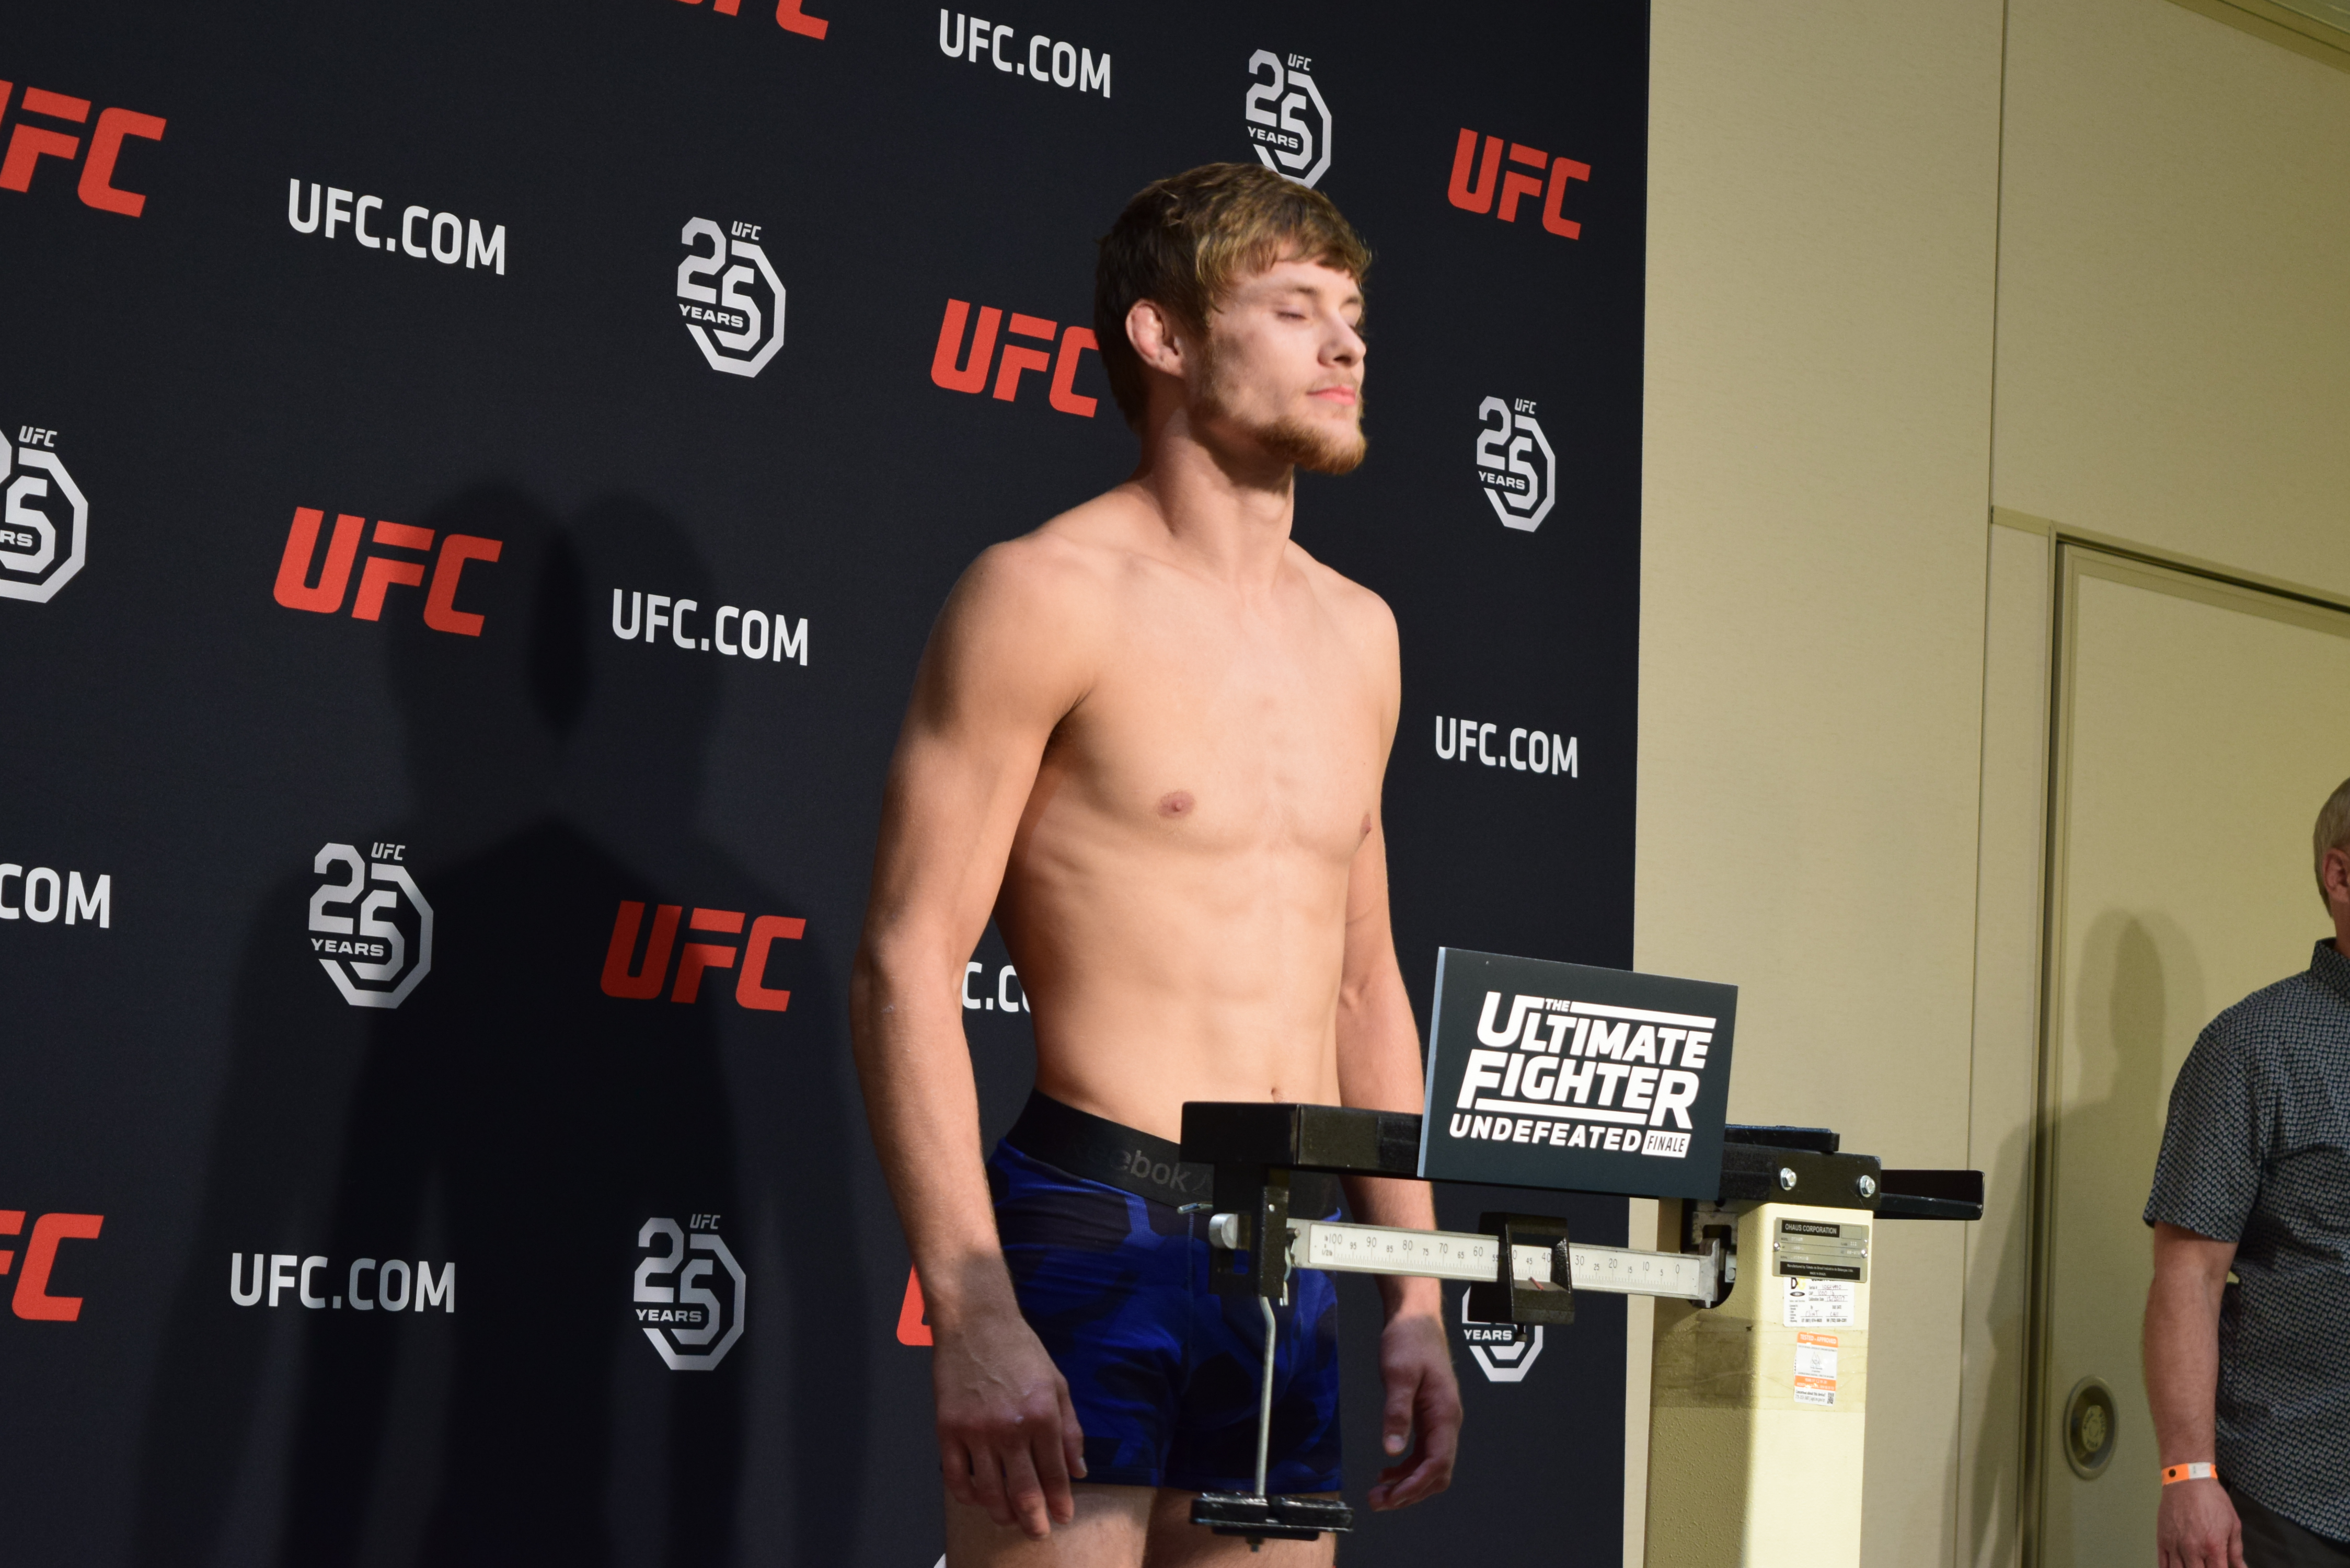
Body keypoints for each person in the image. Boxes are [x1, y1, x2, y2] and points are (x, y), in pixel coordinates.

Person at [850, 163, 1460, 1565]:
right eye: (1295, 309)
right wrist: (972, 1304)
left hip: (1292, 1252)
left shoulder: (1363, 633)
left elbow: (1363, 986)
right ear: (1164, 336)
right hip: (1095, 1222)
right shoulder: (1043, 594)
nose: (1345, 345)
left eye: (1353, 314)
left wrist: (1415, 1292)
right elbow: (906, 962)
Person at [2144, 777, 2350, 1568]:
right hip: (2294, 1495)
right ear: (2340, 876)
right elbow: (2188, 1277)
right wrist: (2187, 1475)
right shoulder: (2251, 1049)